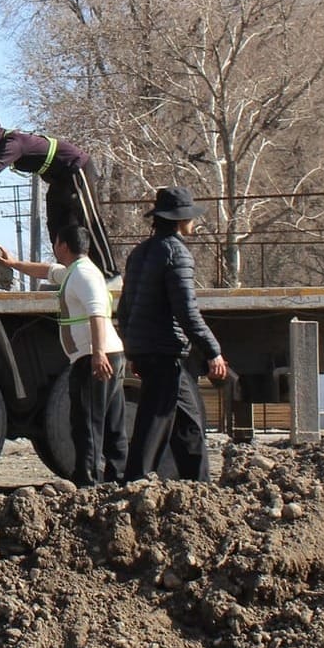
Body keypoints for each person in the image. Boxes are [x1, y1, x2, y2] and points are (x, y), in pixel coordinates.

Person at [0, 226, 128, 486]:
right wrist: (14, 263)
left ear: (63, 246)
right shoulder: (75, 272)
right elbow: (46, 271)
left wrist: (98, 353)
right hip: (99, 355)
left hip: (95, 357)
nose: (54, 247)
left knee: (87, 421)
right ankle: (117, 478)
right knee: (110, 421)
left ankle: (89, 482)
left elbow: (97, 313)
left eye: (56, 242)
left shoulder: (84, 275)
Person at [116, 187, 229, 482]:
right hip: (166, 351)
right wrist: (213, 351)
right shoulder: (177, 253)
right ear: (180, 220)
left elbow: (125, 308)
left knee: (188, 424)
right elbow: (187, 311)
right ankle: (135, 483)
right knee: (153, 423)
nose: (193, 222)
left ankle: (200, 486)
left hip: (149, 350)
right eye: (190, 217)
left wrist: (134, 349)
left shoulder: (139, 253)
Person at [0, 111, 118, 276]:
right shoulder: (3, 149)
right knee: (57, 228)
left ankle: (109, 272)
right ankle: (68, 275)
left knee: (89, 221)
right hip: (58, 180)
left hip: (76, 168)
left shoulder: (13, 143)